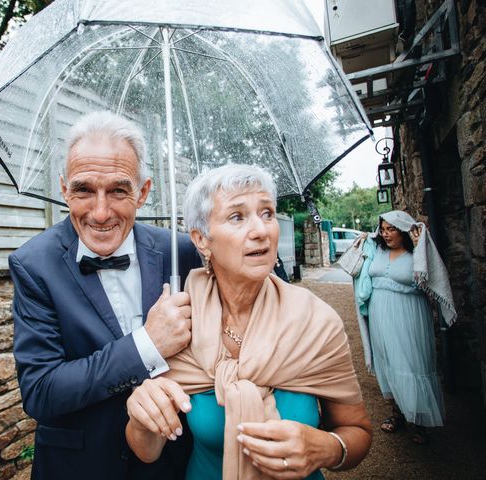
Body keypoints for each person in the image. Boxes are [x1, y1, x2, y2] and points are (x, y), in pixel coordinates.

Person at [125, 164, 372, 479]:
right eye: (237, 217)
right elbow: (147, 451)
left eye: (267, 213)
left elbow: (357, 430)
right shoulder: (179, 325)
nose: (261, 230)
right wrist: (140, 415)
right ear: (201, 240)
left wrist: (328, 448)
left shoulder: (316, 322)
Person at [9, 111, 201, 479]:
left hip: (171, 463)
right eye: (83, 190)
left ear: (142, 192)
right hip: (78, 466)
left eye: (118, 189)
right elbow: (41, 391)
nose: (100, 212)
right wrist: (148, 344)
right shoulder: (33, 265)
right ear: (64, 189)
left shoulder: (182, 254)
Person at [352, 210, 457, 444]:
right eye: (383, 229)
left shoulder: (416, 253)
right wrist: (362, 242)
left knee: (411, 361)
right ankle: (397, 412)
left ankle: (420, 422)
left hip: (409, 315)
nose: (386, 234)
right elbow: (356, 267)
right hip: (380, 315)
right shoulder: (376, 249)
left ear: (404, 231)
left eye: (392, 229)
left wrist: (421, 248)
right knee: (387, 360)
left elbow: (428, 279)